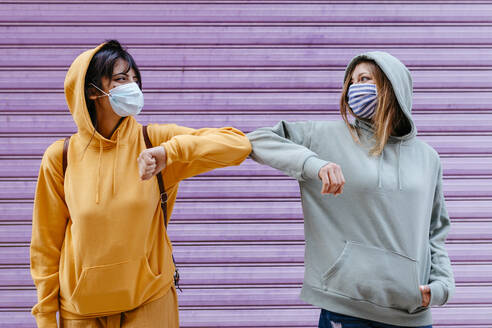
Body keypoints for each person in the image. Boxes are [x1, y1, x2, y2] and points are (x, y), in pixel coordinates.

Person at [30, 40, 251, 328]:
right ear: (92, 91)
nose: (132, 87)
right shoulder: (61, 158)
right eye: (121, 79)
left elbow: (237, 144)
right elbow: (45, 246)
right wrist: (46, 317)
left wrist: (169, 152)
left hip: (149, 304)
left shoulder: (153, 142)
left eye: (135, 79)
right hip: (82, 313)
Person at [247, 51, 455, 328]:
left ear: (391, 86)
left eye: (365, 79)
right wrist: (313, 164)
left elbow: (435, 232)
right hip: (347, 309)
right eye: (351, 82)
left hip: (411, 314)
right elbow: (256, 140)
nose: (355, 89)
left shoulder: (428, 158)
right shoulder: (324, 137)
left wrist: (440, 287)